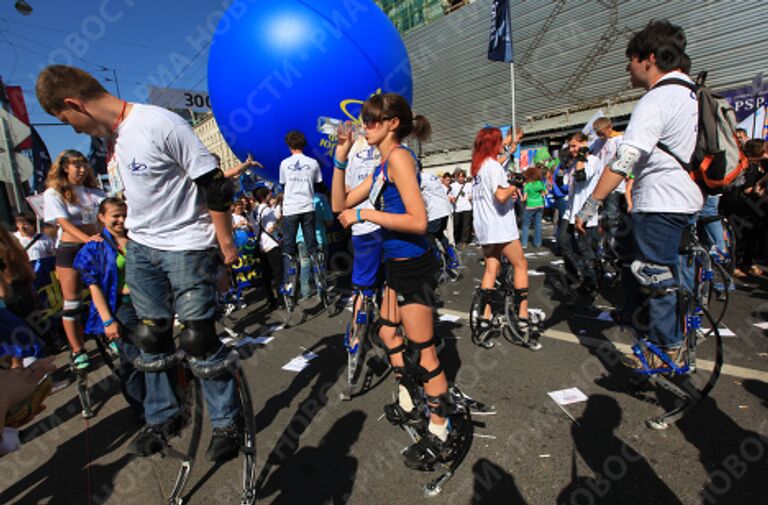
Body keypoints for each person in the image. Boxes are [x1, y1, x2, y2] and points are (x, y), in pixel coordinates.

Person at [37, 64, 241, 462]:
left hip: (186, 246)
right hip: (143, 249)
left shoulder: (159, 123)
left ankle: (226, 422)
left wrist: (226, 241)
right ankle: (164, 415)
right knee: (151, 338)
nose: (74, 130)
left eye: (66, 120)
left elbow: (215, 184)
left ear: (74, 104)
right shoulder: (117, 142)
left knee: (198, 339)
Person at [331, 93, 456, 469]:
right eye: (364, 121)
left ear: (392, 124)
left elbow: (418, 221)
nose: (365, 126)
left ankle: (440, 428)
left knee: (426, 352)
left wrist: (365, 214)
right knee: (387, 334)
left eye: (371, 121)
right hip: (395, 264)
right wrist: (340, 155)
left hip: (413, 266)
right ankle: (408, 395)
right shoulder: (384, 164)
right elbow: (339, 204)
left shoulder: (399, 158)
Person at [575, 20, 702, 368]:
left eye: (630, 59)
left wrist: (589, 207)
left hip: (661, 200)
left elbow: (624, 160)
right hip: (683, 198)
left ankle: (665, 350)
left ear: (647, 58)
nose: (627, 68)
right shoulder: (690, 92)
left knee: (655, 275)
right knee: (660, 272)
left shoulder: (658, 98)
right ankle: (659, 333)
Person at [73, 198, 146, 420]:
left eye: (124, 214)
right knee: (132, 360)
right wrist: (107, 320)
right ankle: (143, 410)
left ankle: (162, 405)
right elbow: (94, 287)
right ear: (101, 217)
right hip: (122, 309)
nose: (121, 220)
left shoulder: (138, 237)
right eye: (115, 215)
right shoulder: (94, 247)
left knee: (154, 354)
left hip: (147, 303)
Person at [470, 127, 540, 350]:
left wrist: (510, 146)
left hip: (484, 227)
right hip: (500, 226)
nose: (502, 145)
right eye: (499, 142)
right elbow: (500, 195)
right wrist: (515, 185)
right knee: (521, 264)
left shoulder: (478, 168)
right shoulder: (492, 167)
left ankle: (485, 317)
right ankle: (522, 315)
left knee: (491, 268)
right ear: (493, 144)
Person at [43, 150, 106, 371]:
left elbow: (108, 213)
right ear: (64, 168)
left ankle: (110, 333)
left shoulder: (94, 192)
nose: (81, 169)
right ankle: (78, 349)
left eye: (83, 165)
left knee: (103, 292)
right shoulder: (54, 193)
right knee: (72, 302)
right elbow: (64, 223)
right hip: (71, 249)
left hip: (95, 246)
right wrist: (87, 239)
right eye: (75, 165)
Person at [331, 132, 384, 350]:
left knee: (363, 283)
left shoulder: (352, 149)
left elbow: (342, 194)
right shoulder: (387, 148)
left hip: (364, 225)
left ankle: (355, 332)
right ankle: (380, 328)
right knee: (385, 281)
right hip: (384, 223)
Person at [275, 130, 323, 298]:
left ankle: (289, 282)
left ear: (289, 146)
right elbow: (318, 182)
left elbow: (283, 183)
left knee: (289, 247)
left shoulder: (284, 163)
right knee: (312, 245)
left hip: (291, 209)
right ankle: (319, 275)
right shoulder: (313, 162)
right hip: (308, 206)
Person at [563, 133, 604, 297]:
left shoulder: (592, 160)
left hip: (587, 213)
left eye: (574, 146)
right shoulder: (574, 162)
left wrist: (581, 157)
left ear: (584, 144)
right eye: (570, 147)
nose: (571, 150)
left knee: (586, 251)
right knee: (566, 244)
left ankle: (593, 282)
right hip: (571, 212)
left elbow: (581, 177)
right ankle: (576, 278)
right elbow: (566, 182)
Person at [296, 183, 334, 299]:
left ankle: (305, 292)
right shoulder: (321, 200)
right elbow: (329, 221)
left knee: (304, 265)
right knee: (320, 265)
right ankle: (321, 293)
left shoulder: (299, 199)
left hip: (301, 237)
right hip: (318, 238)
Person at [253, 186, 282, 309]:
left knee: (266, 274)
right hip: (271, 244)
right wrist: (280, 219)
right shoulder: (268, 211)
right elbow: (270, 228)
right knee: (278, 273)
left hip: (261, 244)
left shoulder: (255, 211)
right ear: (265, 196)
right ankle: (281, 299)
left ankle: (270, 299)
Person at [520, 164, 547, 249]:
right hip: (540, 205)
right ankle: (537, 243)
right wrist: (540, 194)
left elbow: (524, 198)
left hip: (530, 206)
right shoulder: (540, 183)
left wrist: (521, 198)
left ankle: (524, 243)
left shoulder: (527, 185)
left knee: (525, 224)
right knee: (538, 223)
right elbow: (545, 193)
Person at [449, 168, 473, 246]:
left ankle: (465, 241)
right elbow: (449, 194)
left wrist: (471, 197)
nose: (461, 178)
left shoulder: (469, 185)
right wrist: (451, 198)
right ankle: (457, 239)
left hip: (467, 207)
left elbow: (472, 193)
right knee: (457, 225)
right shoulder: (453, 185)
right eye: (459, 177)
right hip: (457, 208)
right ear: (456, 177)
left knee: (466, 225)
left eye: (462, 177)